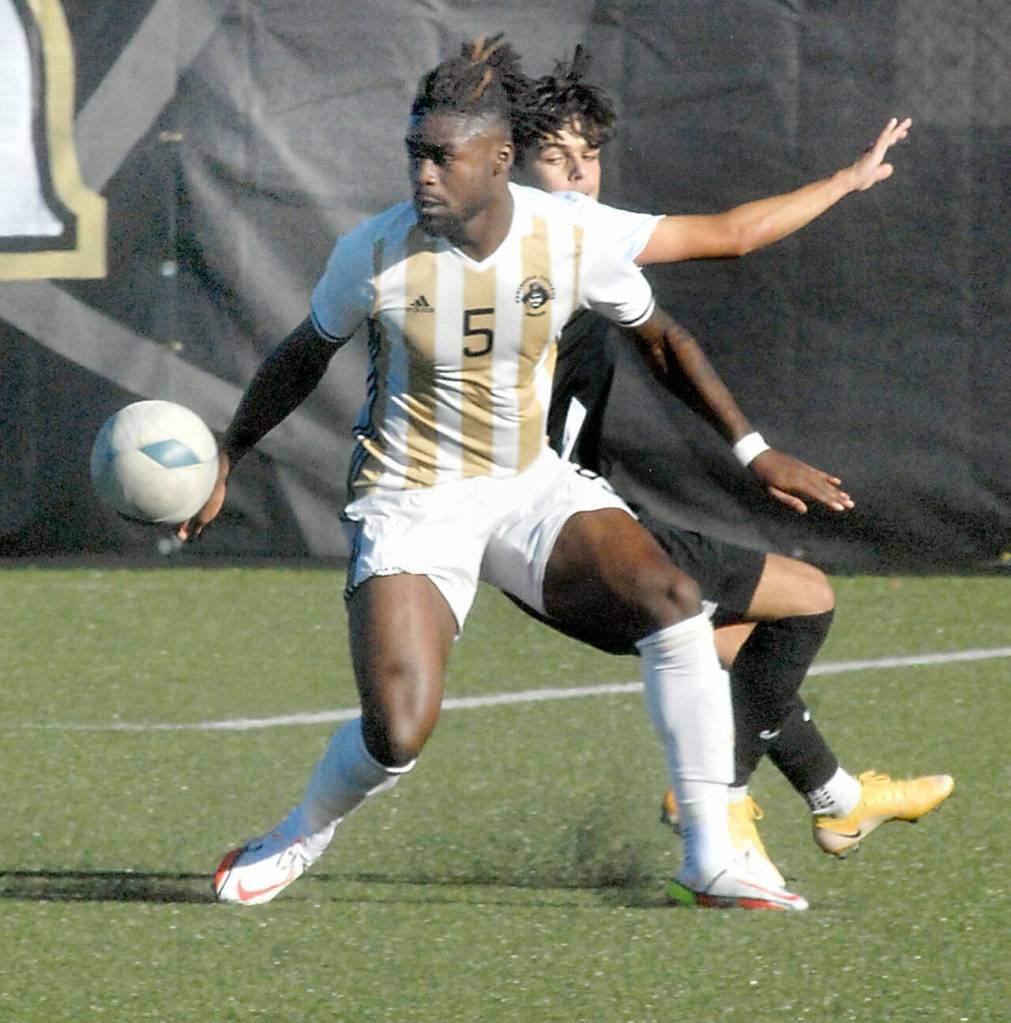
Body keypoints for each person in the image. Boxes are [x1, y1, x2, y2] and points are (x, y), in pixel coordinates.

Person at [177, 37, 857, 911]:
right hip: (412, 499)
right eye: (414, 154)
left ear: (499, 161)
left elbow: (660, 339)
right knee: (398, 732)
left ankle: (709, 852)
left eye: (440, 157)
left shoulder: (568, 236)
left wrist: (753, 450)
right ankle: (299, 831)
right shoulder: (374, 252)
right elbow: (302, 354)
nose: (421, 175)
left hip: (528, 485)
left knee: (672, 597)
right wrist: (231, 450)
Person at [509, 46, 952, 879]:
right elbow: (734, 236)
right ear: (511, 163)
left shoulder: (528, 237)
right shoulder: (557, 229)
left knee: (741, 647)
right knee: (806, 597)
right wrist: (845, 181)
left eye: (587, 156)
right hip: (553, 531)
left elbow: (664, 342)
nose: (575, 175)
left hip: (549, 527)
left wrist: (752, 452)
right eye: (553, 156)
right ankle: (712, 799)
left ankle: (837, 798)